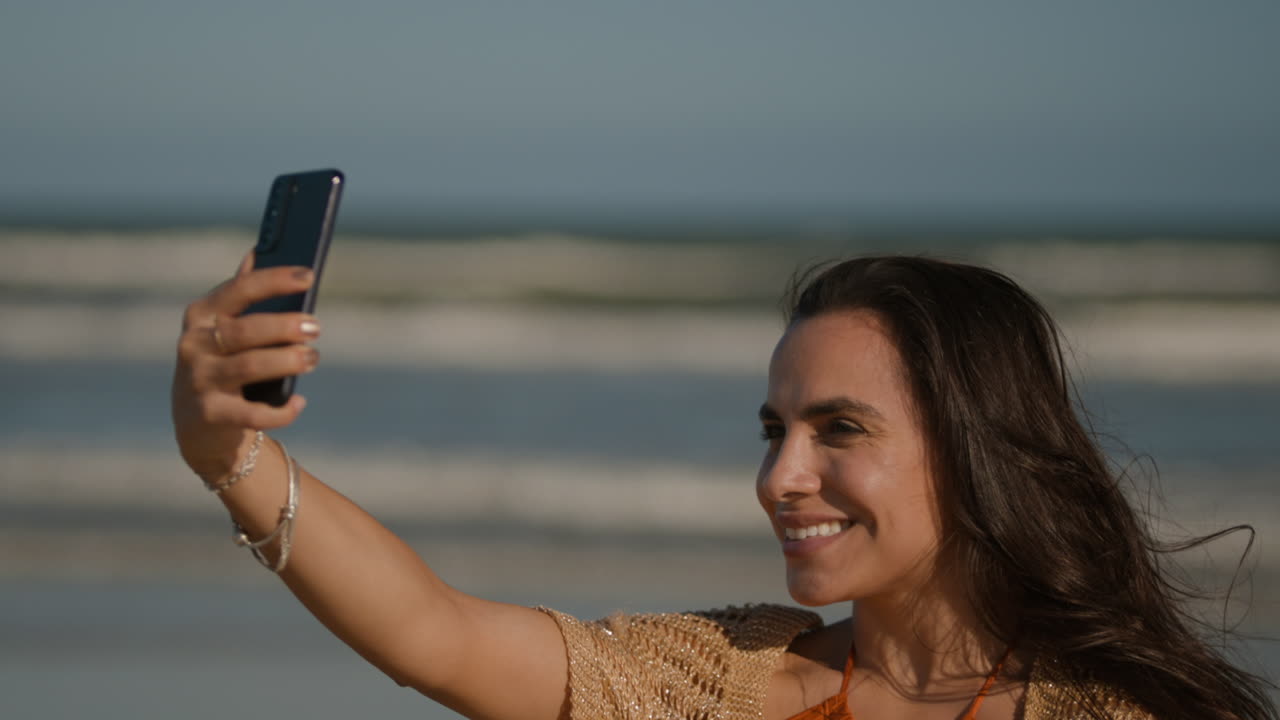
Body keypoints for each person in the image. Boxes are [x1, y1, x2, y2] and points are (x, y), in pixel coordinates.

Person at [171, 253, 1276, 720]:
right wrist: (229, 456)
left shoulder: (1121, 713)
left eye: (839, 429)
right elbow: (435, 634)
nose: (781, 478)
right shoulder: (719, 682)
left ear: (973, 448)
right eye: (773, 430)